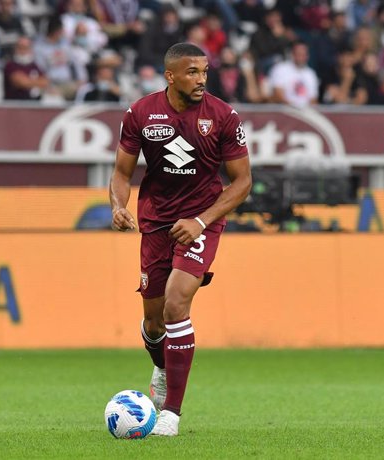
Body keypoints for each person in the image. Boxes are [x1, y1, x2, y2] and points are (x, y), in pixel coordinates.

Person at [109, 43, 252, 436]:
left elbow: (242, 181)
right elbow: (122, 173)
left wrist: (202, 221)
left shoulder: (223, 116)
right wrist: (118, 205)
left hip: (202, 220)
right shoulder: (140, 113)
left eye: (204, 71)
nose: (201, 79)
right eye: (192, 72)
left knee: (176, 303)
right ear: (170, 76)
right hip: (155, 221)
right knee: (154, 323)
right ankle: (160, 364)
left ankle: (171, 413)